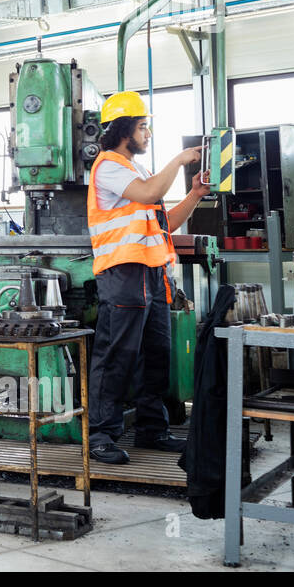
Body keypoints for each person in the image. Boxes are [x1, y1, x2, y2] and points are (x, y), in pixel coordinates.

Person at [86, 91, 210, 465]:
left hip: (153, 273)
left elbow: (164, 224)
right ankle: (101, 435)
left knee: (156, 354)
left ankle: (151, 429)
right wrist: (179, 160)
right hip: (123, 272)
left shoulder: (136, 171)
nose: (148, 134)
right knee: (116, 355)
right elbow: (152, 191)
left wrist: (195, 194)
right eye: (143, 126)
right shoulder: (108, 166)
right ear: (124, 129)